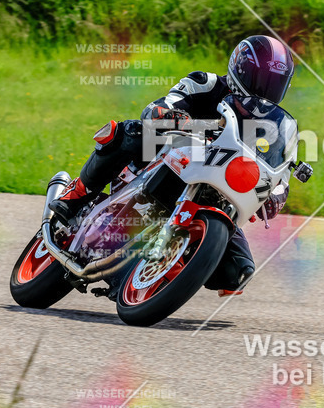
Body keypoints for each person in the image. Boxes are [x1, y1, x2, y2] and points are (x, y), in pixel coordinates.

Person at [49, 35, 294, 295]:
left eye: (275, 84)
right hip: (170, 157)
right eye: (261, 81)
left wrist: (276, 195)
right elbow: (159, 107)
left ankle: (160, 275)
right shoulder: (207, 84)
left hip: (215, 193)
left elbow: (280, 176)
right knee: (132, 131)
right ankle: (78, 192)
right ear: (240, 70)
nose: (265, 92)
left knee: (238, 273)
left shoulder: (274, 126)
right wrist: (169, 115)